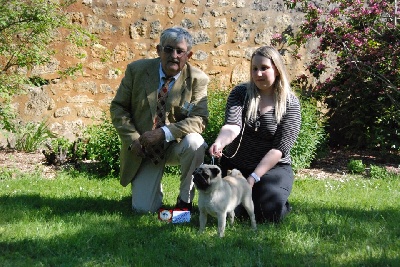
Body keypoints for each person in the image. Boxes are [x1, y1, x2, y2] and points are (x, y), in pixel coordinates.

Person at [110, 26, 209, 213]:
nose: (174, 55)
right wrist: (133, 140)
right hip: (144, 148)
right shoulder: (136, 70)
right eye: (168, 49)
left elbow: (199, 119)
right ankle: (153, 194)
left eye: (180, 51)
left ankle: (184, 202)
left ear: (189, 55)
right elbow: (118, 107)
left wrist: (163, 133)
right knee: (143, 209)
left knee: (196, 142)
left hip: (176, 145)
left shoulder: (198, 79)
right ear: (158, 50)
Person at [209, 46, 301, 223]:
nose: (258, 74)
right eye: (254, 69)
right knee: (222, 209)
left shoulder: (290, 103)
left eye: (264, 68)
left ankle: (279, 202)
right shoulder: (240, 93)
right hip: (237, 167)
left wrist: (252, 179)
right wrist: (220, 142)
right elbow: (232, 125)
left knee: (267, 213)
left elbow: (279, 149)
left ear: (277, 69)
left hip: (272, 169)